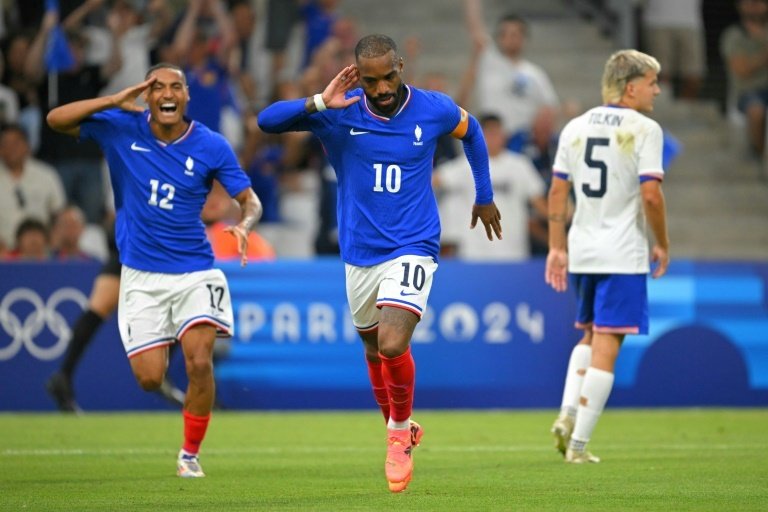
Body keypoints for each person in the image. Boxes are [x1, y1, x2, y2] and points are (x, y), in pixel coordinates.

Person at [257, 34, 502, 492]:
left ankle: (396, 434)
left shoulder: (434, 108)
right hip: (359, 253)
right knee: (373, 351)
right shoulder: (339, 114)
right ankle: (398, 424)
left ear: (401, 66)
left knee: (391, 344)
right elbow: (265, 121)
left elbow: (473, 133)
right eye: (371, 81)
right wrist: (317, 102)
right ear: (359, 78)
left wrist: (484, 194)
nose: (382, 87)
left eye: (389, 76)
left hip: (413, 245)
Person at [46, 62, 262, 477]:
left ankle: (190, 454)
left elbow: (250, 199)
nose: (167, 93)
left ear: (186, 96)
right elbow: (56, 120)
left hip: (195, 270)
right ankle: (176, 415)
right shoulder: (119, 126)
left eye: (175, 87)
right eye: (157, 87)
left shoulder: (211, 144)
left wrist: (245, 224)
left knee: (200, 361)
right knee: (148, 379)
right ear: (146, 94)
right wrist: (112, 99)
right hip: (141, 276)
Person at [545, 49, 670, 464]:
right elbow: (651, 194)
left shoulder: (575, 127)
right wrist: (663, 241)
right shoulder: (645, 128)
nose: (656, 89)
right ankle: (578, 445)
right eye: (652, 82)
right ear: (631, 86)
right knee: (607, 342)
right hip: (621, 252)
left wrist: (556, 246)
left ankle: (567, 413)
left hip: (582, 248)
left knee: (589, 333)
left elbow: (558, 192)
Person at [435, 113, 547, 261]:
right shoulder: (465, 165)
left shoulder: (520, 165)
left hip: (514, 255)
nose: (493, 139)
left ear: (504, 135)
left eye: (497, 133)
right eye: (488, 134)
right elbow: (434, 180)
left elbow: (540, 203)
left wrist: (563, 216)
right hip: (475, 255)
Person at [463, 0, 559, 140]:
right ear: (499, 37)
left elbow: (550, 107)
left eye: (515, 34)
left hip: (521, 141)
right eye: (505, 34)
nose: (510, 39)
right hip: (490, 137)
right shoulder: (489, 59)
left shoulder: (535, 74)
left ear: (524, 38)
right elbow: (475, 26)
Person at [0, 123, 66, 254]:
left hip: (42, 252)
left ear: (27, 146)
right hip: (3, 253)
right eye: (5, 144)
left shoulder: (46, 175)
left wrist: (53, 247)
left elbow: (60, 214)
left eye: (16, 143)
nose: (11, 148)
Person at [720, 0, 768, 157]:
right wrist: (763, 57)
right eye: (749, 2)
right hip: (747, 92)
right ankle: (759, 157)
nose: (754, 6)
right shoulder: (733, 35)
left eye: (758, 2)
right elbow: (741, 70)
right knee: (756, 110)